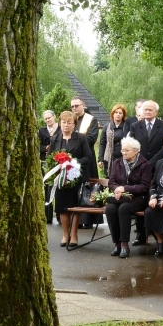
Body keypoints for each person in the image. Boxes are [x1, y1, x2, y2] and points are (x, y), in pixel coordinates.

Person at [128, 100, 163, 244]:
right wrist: (142, 163)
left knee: (154, 199)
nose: (147, 112)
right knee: (140, 198)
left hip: (158, 167)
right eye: (145, 109)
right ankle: (141, 236)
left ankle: (158, 235)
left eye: (150, 110)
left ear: (156, 112)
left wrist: (151, 163)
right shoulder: (135, 126)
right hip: (139, 168)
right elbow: (132, 146)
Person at [48, 110, 94, 249]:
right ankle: (65, 235)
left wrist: (73, 163)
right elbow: (50, 158)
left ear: (74, 124)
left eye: (69, 122)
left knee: (75, 207)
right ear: (60, 123)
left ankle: (74, 235)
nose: (66, 125)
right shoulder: (55, 139)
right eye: (64, 122)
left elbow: (88, 157)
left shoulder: (81, 138)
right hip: (61, 179)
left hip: (77, 178)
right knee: (63, 207)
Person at [105, 137, 153, 258]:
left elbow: (144, 186)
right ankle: (117, 244)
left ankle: (124, 244)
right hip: (121, 196)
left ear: (136, 151)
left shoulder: (145, 165)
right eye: (122, 150)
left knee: (124, 208)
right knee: (110, 209)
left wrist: (125, 188)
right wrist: (117, 189)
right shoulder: (117, 163)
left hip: (139, 197)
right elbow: (111, 182)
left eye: (127, 150)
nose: (124, 153)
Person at [71, 97, 100, 228]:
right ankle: (75, 220)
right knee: (74, 188)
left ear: (83, 105)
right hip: (73, 159)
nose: (74, 108)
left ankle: (88, 219)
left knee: (88, 188)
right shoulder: (71, 120)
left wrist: (74, 143)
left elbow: (91, 138)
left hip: (87, 158)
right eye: (72, 106)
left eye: (76, 105)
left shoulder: (91, 120)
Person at [98, 104, 130, 174]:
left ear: (123, 115)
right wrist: (100, 159)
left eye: (120, 113)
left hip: (124, 158)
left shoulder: (127, 127)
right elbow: (102, 144)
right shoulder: (107, 127)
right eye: (116, 112)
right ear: (113, 114)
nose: (118, 114)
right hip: (109, 158)